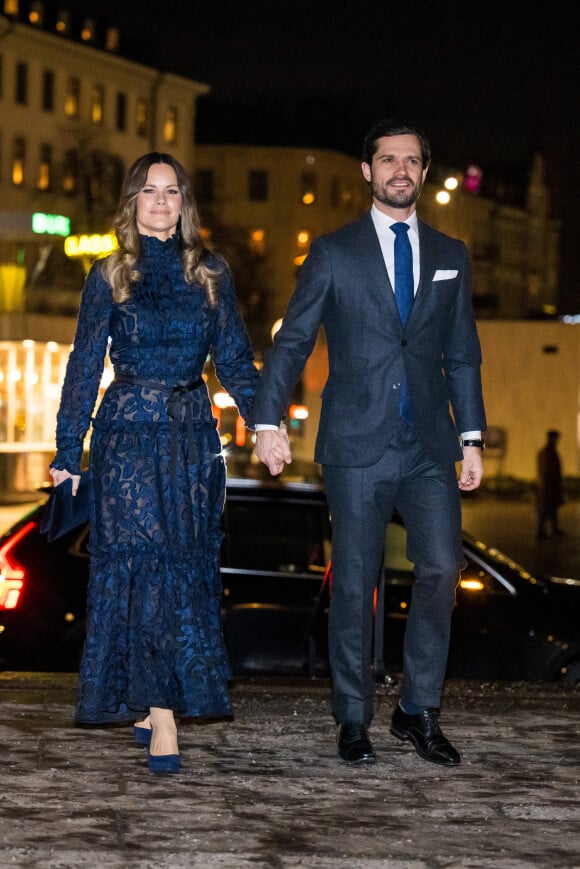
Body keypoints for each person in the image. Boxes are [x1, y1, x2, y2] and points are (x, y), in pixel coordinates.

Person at [252, 119, 487, 768]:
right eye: (389, 159)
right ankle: (353, 717)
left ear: (424, 170)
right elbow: (294, 339)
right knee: (356, 583)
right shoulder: (333, 252)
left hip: (429, 445)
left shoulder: (450, 255)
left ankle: (417, 708)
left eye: (412, 160)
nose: (400, 170)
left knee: (442, 565)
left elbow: (463, 354)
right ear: (368, 170)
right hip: (357, 442)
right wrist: (268, 420)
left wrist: (472, 436)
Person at [49, 152, 259, 774]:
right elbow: (84, 367)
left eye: (171, 191)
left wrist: (266, 423)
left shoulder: (211, 273)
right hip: (127, 439)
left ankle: (152, 698)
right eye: (149, 191)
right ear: (133, 202)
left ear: (184, 203)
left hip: (192, 438)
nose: (161, 201)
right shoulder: (108, 274)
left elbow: (237, 360)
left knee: (182, 565)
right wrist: (68, 454)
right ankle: (162, 713)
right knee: (142, 569)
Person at [536, 430, 564, 539]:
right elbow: (547, 471)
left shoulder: (548, 451)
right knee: (547, 509)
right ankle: (540, 532)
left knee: (552, 509)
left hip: (550, 486)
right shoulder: (548, 452)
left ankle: (553, 529)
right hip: (549, 487)